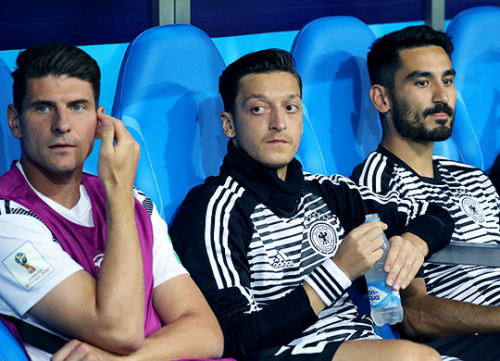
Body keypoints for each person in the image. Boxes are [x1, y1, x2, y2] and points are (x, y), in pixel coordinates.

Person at [169, 48, 458, 361]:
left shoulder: (327, 191)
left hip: (363, 344)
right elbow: (235, 336)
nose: (279, 123)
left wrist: (414, 242)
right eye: (258, 110)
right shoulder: (212, 209)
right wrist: (339, 270)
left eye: (290, 107)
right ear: (228, 124)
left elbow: (435, 213)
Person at [0, 43, 224, 361]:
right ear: (15, 121)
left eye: (78, 107)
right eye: (43, 108)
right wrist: (118, 194)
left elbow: (208, 334)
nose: (62, 124)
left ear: (98, 122)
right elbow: (121, 331)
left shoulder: (136, 203)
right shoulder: (7, 220)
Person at [351, 25, 500, 361]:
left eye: (447, 80)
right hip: (462, 343)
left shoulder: (474, 177)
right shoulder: (373, 187)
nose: (441, 96)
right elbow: (411, 314)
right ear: (382, 98)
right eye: (422, 82)